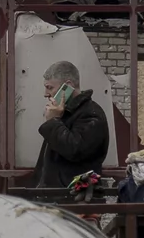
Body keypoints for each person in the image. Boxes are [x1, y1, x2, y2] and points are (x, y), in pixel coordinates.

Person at [33, 60, 109, 188]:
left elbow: (75, 150)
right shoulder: (64, 113)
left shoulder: (91, 114)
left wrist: (53, 122)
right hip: (56, 196)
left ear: (67, 86)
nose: (46, 94)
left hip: (73, 198)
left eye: (50, 87)